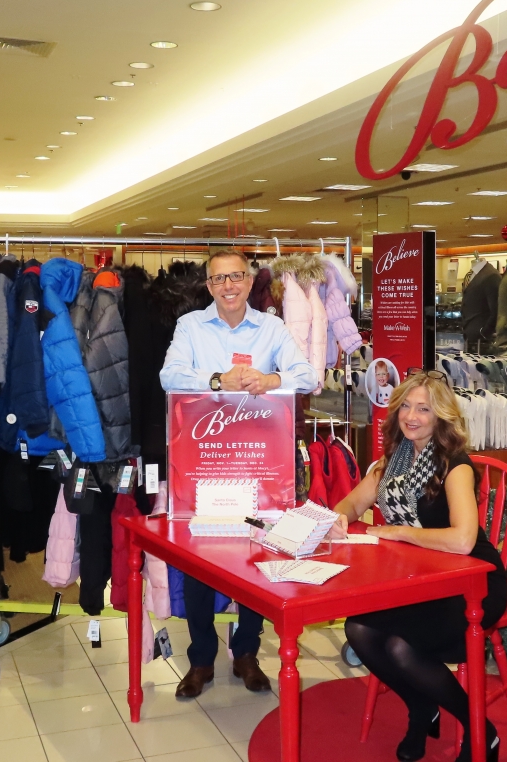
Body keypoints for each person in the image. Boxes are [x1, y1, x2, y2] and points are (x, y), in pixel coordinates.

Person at [159, 249, 317, 699]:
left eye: (236, 277)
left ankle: (247, 652)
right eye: (218, 280)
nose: (228, 286)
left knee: (255, 557)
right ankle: (201, 659)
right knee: (199, 561)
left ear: (251, 281)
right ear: (208, 286)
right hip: (205, 463)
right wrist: (216, 381)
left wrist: (271, 380)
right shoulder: (191, 326)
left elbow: (306, 375)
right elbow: (169, 376)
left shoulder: (272, 327)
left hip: (258, 463)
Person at [330, 371, 507, 762]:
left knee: (400, 645)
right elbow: (351, 504)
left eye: (423, 408)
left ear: (441, 416)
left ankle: (482, 730)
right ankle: (421, 707)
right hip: (418, 580)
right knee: (358, 628)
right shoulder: (390, 463)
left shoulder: (454, 466)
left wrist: (396, 531)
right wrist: (340, 517)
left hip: (472, 583)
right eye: (406, 406)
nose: (412, 416)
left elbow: (462, 539)